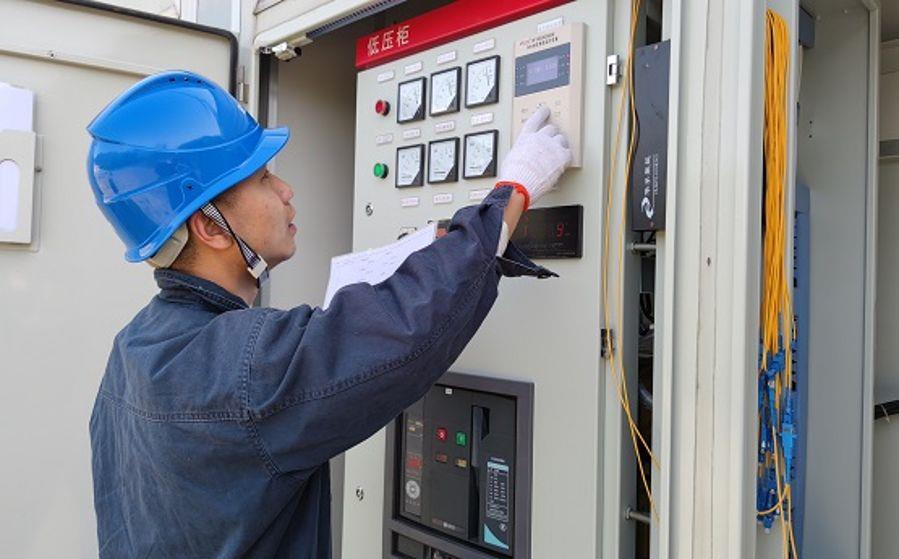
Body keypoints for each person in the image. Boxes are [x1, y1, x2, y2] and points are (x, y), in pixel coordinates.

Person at [87, 70, 571, 558]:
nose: (286, 190)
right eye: (263, 178)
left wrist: (432, 255)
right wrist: (513, 192)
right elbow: (399, 330)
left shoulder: (131, 348)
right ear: (210, 227)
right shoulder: (247, 366)